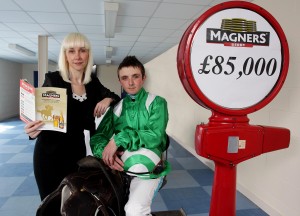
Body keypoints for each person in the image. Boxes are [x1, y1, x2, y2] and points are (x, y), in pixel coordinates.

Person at [24, 32, 120, 201]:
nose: (77, 56)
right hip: (49, 153)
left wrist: (108, 98)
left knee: (73, 202)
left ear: (88, 54)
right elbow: (40, 112)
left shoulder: (93, 83)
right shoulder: (53, 79)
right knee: (51, 203)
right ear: (65, 55)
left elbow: (116, 98)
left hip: (77, 153)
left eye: (82, 50)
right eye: (71, 51)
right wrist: (32, 130)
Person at [90, 55, 170, 216]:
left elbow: (155, 136)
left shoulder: (157, 103)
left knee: (134, 210)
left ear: (143, 78)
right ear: (120, 81)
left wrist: (118, 139)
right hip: (120, 168)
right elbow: (98, 138)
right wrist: (107, 155)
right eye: (125, 78)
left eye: (135, 76)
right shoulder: (116, 108)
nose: (131, 82)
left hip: (148, 169)